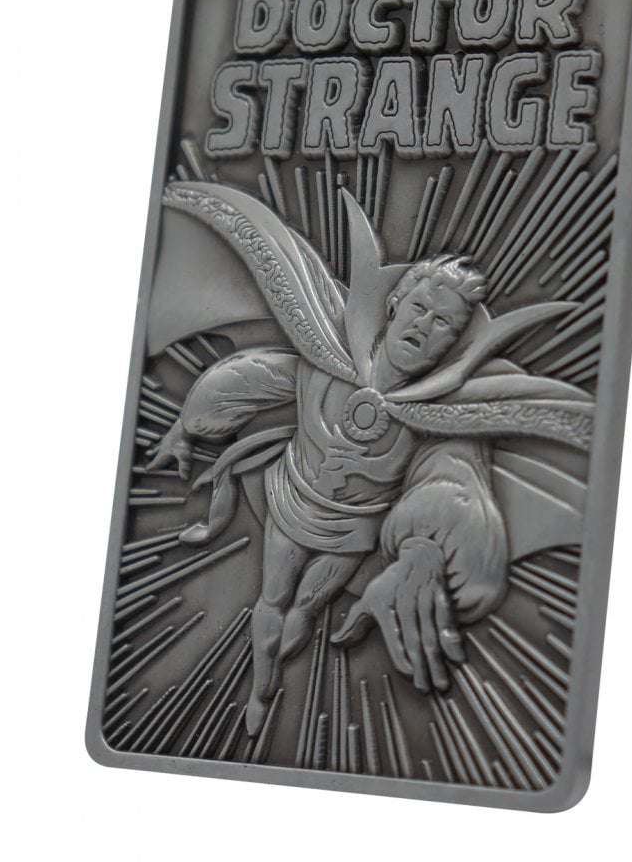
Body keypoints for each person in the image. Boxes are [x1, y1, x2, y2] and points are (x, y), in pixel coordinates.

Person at [146, 181, 593, 734]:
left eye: (443, 324)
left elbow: (453, 479)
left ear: (455, 343)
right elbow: (252, 378)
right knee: (273, 599)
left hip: (353, 532)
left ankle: (276, 677)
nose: (424, 326)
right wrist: (188, 424)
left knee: (306, 610)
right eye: (420, 308)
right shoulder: (326, 354)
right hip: (292, 500)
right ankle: (261, 689)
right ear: (394, 303)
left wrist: (427, 550)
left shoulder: (444, 413)